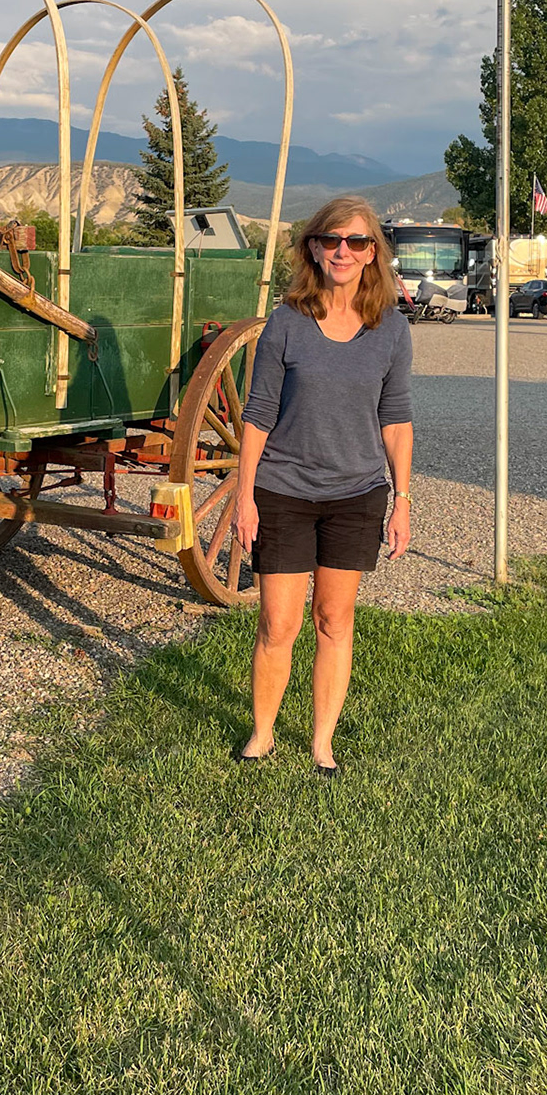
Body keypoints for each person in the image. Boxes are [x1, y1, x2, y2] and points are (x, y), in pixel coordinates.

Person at [233, 194, 414, 775]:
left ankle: (322, 743)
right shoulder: (286, 323)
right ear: (313, 247)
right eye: (331, 240)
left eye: (356, 242)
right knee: (278, 624)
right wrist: (243, 499)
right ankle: (262, 733)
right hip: (283, 491)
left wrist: (402, 499)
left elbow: (397, 417)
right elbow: (257, 413)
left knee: (334, 621)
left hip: (357, 496)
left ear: (371, 254)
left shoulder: (392, 330)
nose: (343, 251)